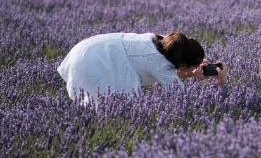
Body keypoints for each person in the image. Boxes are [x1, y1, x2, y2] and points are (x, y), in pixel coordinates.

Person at [57, 32, 227, 106]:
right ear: (182, 63)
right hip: (97, 62)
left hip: (89, 49)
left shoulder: (162, 42)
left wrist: (191, 72)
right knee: (114, 109)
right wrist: (221, 82)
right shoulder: (160, 64)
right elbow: (186, 99)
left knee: (110, 105)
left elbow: (166, 72)